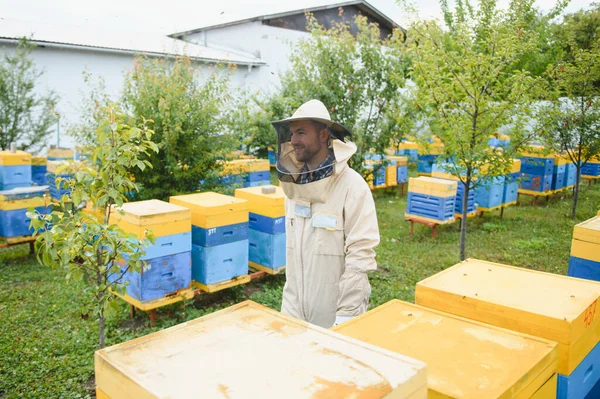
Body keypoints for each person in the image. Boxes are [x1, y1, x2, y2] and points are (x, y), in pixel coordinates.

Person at [272, 99, 380, 328]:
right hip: (293, 310)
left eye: (301, 132)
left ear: (323, 135)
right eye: (292, 134)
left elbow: (360, 255)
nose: (294, 141)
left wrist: (347, 315)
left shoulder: (352, 186)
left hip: (334, 317)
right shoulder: (293, 188)